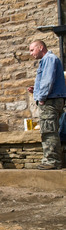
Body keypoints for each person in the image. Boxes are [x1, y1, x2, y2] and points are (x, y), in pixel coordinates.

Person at [27, 40, 66, 170]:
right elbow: (49, 81)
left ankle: (52, 161)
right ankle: (51, 159)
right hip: (51, 99)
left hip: (50, 101)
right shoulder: (48, 60)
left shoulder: (49, 59)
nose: (30, 53)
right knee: (50, 129)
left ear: (41, 47)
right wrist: (36, 90)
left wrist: (42, 97)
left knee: (48, 131)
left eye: (32, 50)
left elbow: (48, 80)